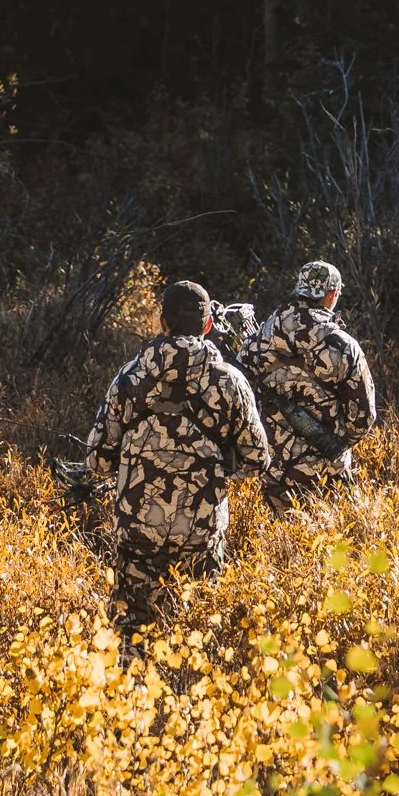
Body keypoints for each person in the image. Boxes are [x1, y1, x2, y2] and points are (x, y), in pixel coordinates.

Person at [79, 278, 271, 646]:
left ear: (162, 322)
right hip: (201, 532)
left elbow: (97, 461)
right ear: (208, 325)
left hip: (137, 531)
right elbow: (257, 461)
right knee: (197, 637)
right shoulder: (231, 382)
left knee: (130, 635)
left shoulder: (129, 377)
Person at [249, 259, 377, 502]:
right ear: (332, 294)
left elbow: (243, 400)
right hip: (329, 474)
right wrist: (332, 444)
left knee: (277, 538)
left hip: (274, 470)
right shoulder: (343, 346)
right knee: (330, 539)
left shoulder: (259, 338)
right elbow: (363, 418)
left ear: (300, 290)